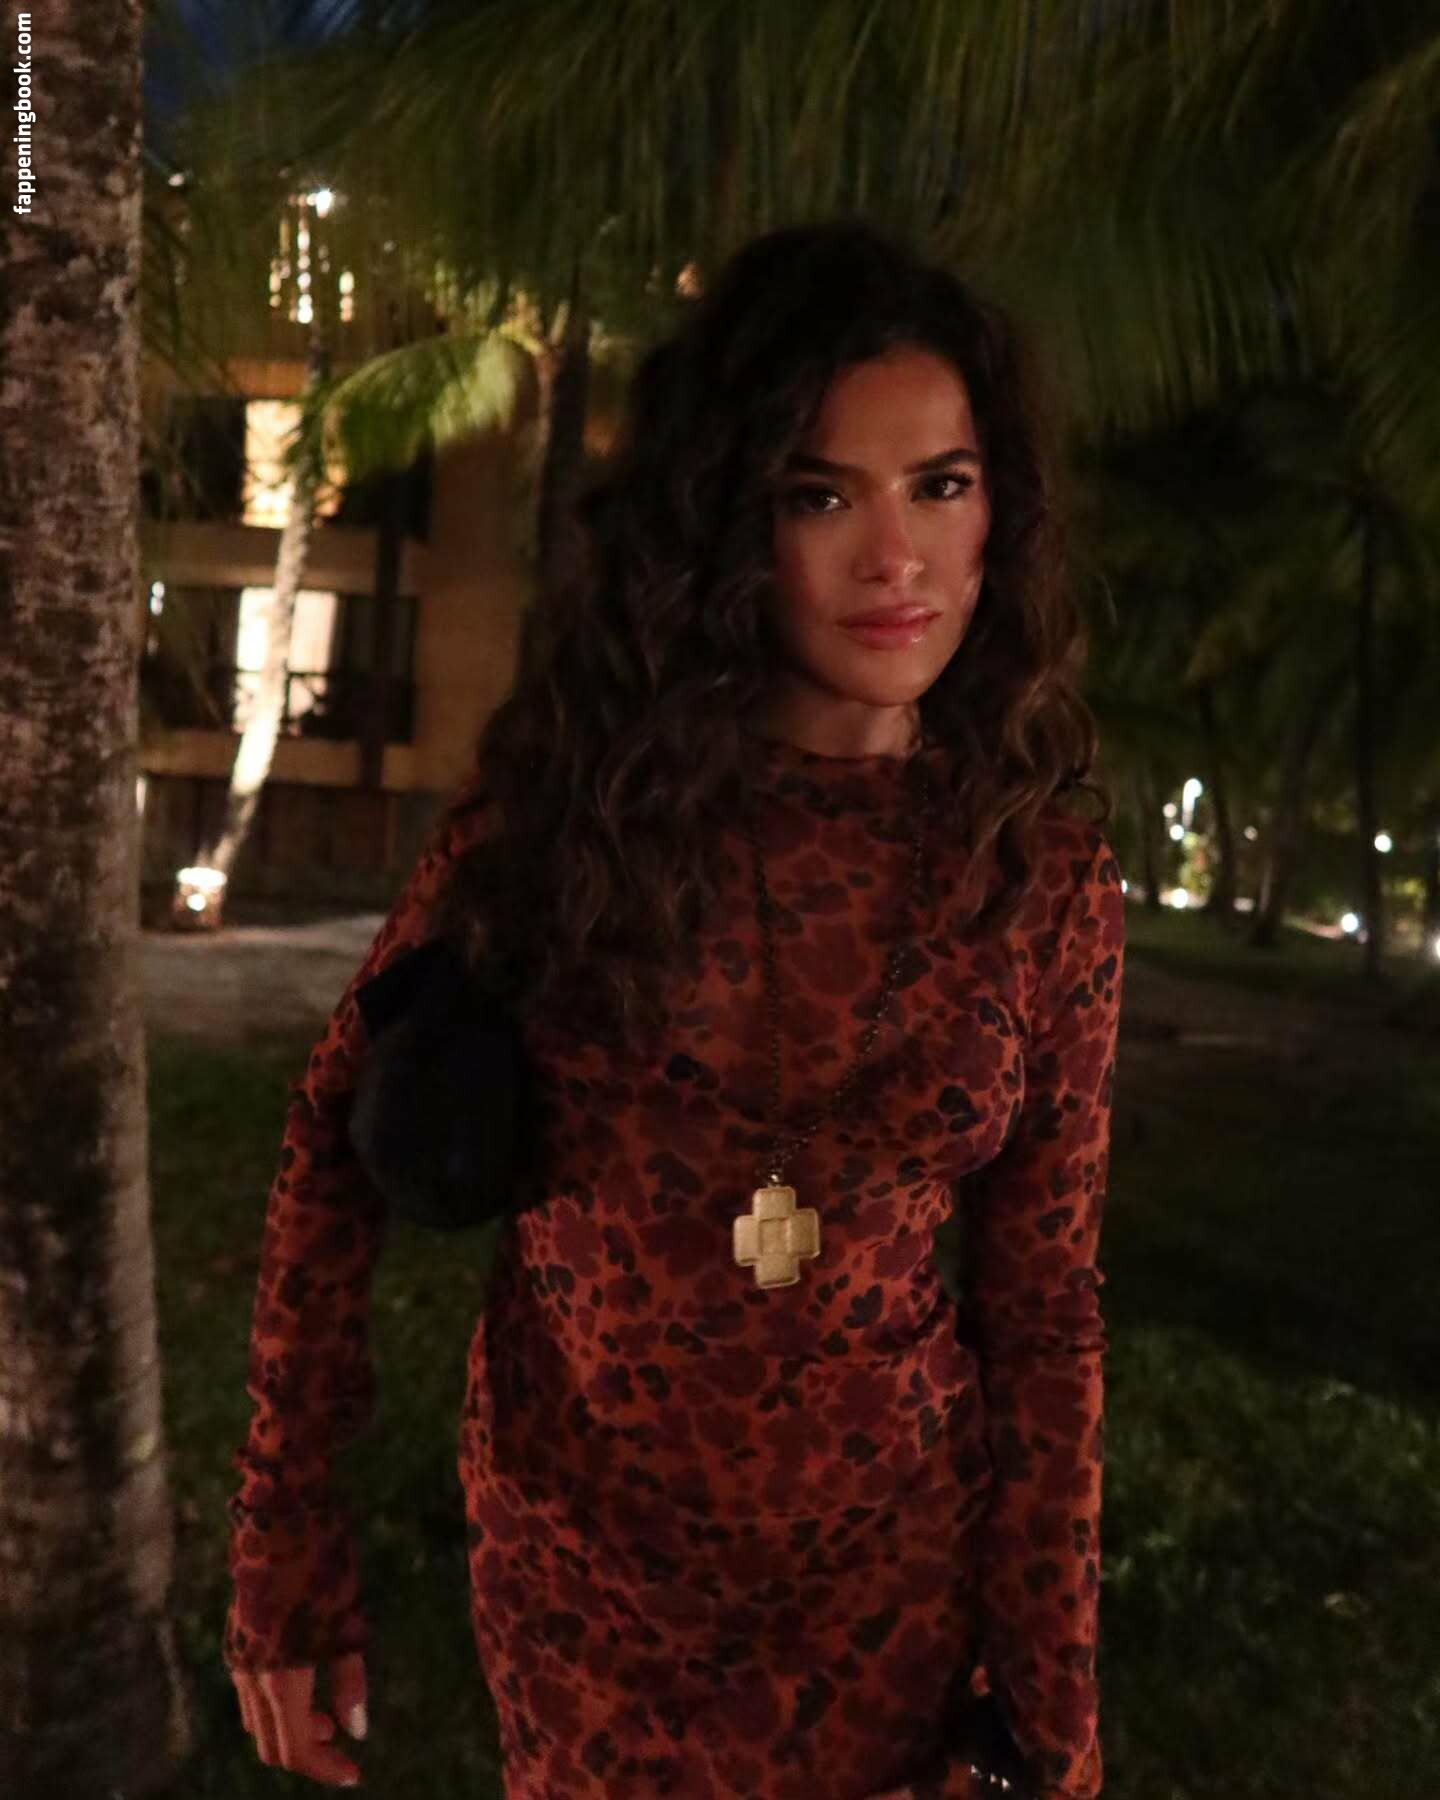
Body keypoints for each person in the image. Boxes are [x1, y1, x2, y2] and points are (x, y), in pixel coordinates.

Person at [223, 217, 1125, 1800]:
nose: (896, 558)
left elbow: (1043, 1310)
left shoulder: (1039, 879)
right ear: (727, 522)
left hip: (895, 1606)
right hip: (588, 1602)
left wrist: (1049, 1710)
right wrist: (284, 1545)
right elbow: (328, 1142)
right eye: (820, 494)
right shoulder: (573, 826)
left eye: (940, 485)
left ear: (1004, 513)